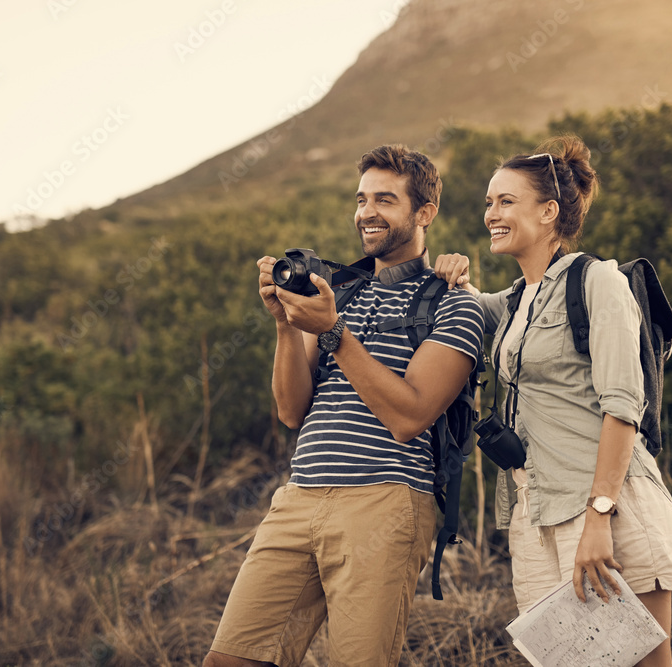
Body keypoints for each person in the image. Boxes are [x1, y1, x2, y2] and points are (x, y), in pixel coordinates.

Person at [204, 144, 485, 667]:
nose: (366, 213)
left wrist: (333, 332)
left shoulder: (453, 303)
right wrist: (287, 324)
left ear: (424, 213)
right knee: (232, 659)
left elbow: (410, 416)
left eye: (385, 199)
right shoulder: (341, 294)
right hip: (299, 496)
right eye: (361, 200)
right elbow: (292, 411)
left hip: (385, 502)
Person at [435, 135, 672, 666]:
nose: (491, 214)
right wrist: (449, 273)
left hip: (609, 509)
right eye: (488, 202)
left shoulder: (599, 281)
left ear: (549, 212)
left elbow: (623, 406)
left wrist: (599, 516)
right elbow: (460, 306)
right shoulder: (515, 300)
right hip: (536, 519)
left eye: (506, 201)